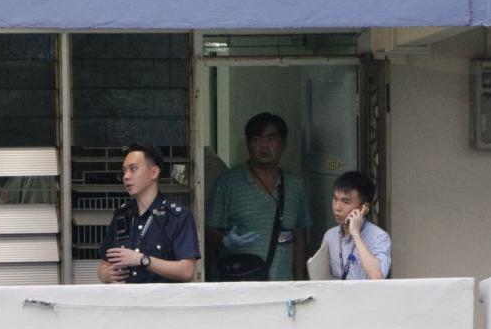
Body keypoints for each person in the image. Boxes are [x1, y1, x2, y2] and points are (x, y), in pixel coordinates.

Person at [206, 112, 311, 281]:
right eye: (256, 139)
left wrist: (299, 282)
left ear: (283, 143)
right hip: (239, 283)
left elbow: (299, 237)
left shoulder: (296, 184)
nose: (264, 145)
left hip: (282, 284)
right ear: (248, 144)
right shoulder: (227, 183)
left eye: (271, 139)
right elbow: (208, 232)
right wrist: (225, 240)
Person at [98, 143, 200, 283]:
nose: (126, 176)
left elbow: (187, 270)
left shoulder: (177, 216)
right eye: (124, 171)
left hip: (163, 302)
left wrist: (142, 260)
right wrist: (106, 275)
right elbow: (104, 263)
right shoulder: (122, 214)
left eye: (133, 169)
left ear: (154, 172)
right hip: (127, 301)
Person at [322, 171, 391, 280]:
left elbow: (377, 276)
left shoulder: (379, 237)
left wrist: (356, 234)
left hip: (365, 296)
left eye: (345, 202)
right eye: (335, 199)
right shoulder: (329, 236)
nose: (337, 207)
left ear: (364, 207)